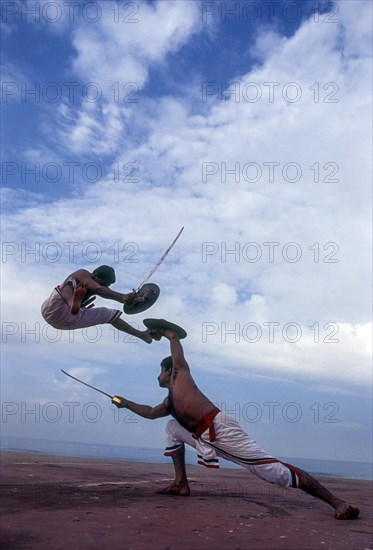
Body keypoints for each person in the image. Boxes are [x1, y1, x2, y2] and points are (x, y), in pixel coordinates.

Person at [113, 323, 359, 520]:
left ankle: (339, 502)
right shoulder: (170, 401)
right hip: (206, 437)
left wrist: (166, 333)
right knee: (171, 428)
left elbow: (176, 344)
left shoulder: (181, 376)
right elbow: (149, 413)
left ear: (167, 371)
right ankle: (181, 484)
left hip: (220, 431)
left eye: (160, 370)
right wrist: (125, 404)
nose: (158, 375)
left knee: (273, 473)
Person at [41, 266, 152, 343]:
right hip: (55, 306)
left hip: (65, 319)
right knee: (69, 286)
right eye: (105, 284)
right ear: (95, 275)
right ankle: (72, 303)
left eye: (108, 285)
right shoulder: (82, 274)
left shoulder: (99, 285)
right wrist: (122, 297)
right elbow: (98, 289)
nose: (106, 287)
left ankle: (143, 335)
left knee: (109, 315)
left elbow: (103, 290)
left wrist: (138, 299)